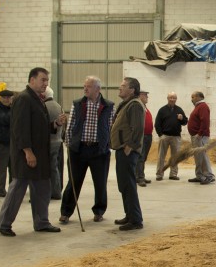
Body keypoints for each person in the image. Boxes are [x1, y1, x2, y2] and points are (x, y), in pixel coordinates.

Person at [0, 67, 65, 237]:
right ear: (32, 79)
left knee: (42, 188)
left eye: (47, 80)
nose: (45, 83)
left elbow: (38, 128)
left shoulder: (37, 99)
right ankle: (3, 223)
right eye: (42, 80)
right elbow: (20, 129)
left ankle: (42, 222)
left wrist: (55, 124)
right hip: (27, 154)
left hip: (40, 154)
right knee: (18, 188)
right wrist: (28, 152)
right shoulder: (23, 99)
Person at [59, 76, 115, 224]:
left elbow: (111, 128)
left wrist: (107, 145)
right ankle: (66, 212)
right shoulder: (77, 104)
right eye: (84, 86)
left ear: (97, 89)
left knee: (100, 183)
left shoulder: (109, 106)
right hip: (79, 149)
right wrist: (69, 144)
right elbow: (71, 125)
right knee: (73, 182)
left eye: (88, 86)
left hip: (99, 150)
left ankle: (99, 211)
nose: (85, 89)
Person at [110, 77, 145, 231]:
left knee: (129, 185)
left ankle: (136, 220)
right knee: (124, 185)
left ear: (132, 90)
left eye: (123, 86)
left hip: (127, 151)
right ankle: (130, 215)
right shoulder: (127, 104)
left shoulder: (135, 105)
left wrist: (130, 146)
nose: (120, 88)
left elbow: (137, 128)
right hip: (122, 149)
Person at [154, 91, 187, 181]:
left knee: (175, 157)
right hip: (164, 136)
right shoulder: (162, 110)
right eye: (170, 97)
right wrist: (161, 135)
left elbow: (185, 122)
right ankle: (159, 174)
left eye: (174, 98)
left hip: (176, 137)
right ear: (167, 98)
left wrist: (182, 118)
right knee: (161, 156)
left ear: (176, 99)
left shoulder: (179, 110)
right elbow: (157, 124)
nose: (172, 99)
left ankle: (173, 174)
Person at [187, 91, 215, 185]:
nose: (191, 99)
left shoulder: (203, 106)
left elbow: (205, 121)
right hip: (197, 136)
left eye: (193, 97)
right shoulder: (198, 107)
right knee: (198, 157)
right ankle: (199, 175)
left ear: (199, 97)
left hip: (200, 136)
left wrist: (200, 134)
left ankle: (209, 176)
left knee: (202, 156)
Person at [44, 86, 64, 200]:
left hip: (49, 142)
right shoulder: (58, 106)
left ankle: (54, 192)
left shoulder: (44, 106)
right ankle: (56, 191)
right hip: (58, 140)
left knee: (49, 168)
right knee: (55, 167)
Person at [135, 90, 154, 187]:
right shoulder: (138, 106)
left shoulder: (144, 107)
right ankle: (140, 178)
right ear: (139, 96)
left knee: (143, 157)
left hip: (147, 136)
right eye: (145, 95)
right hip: (142, 136)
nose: (147, 97)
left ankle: (139, 175)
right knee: (141, 157)